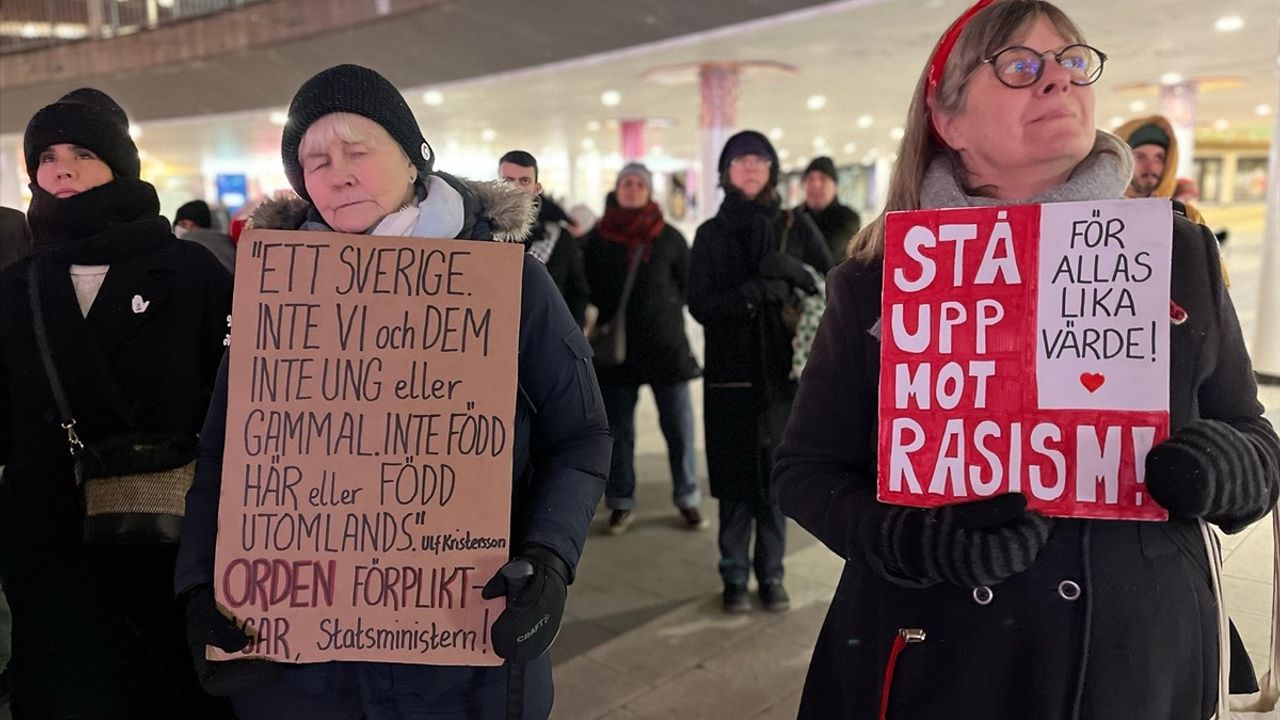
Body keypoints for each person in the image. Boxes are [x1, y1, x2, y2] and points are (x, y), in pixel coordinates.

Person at [772, 2, 1280, 718]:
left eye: (1072, 61)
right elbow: (806, 472)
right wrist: (910, 538)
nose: (1057, 81)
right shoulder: (878, 279)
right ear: (946, 119)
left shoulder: (1176, 254)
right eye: (1019, 65)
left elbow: (1257, 441)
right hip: (943, 661)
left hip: (1137, 661)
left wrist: (1226, 469)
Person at [173, 64, 611, 720]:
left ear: (411, 158)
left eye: (358, 150)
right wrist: (202, 583)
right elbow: (223, 454)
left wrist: (550, 555)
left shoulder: (508, 283)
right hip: (303, 672)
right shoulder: (274, 297)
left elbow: (582, 436)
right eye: (314, 159)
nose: (336, 172)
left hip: (467, 658)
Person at [0, 88, 234, 718]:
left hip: (170, 545)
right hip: (50, 553)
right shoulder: (16, 286)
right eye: (45, 156)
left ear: (120, 165)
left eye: (81, 152)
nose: (61, 169)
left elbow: (238, 409)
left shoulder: (191, 274)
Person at [688, 130, 832, 614]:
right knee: (733, 487)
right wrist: (755, 294)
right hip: (730, 379)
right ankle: (732, 577)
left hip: (783, 377)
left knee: (775, 486)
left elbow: (830, 285)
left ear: (771, 168)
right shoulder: (710, 234)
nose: (749, 167)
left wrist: (790, 269)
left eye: (758, 160)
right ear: (726, 172)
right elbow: (700, 304)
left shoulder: (795, 225)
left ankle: (771, 575)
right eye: (739, 161)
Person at [582, 163, 705, 534]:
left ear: (649, 190)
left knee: (679, 429)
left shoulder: (668, 238)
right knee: (618, 433)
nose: (632, 189)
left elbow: (686, 287)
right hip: (616, 354)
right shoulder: (599, 238)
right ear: (617, 189)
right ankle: (620, 500)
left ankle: (687, 496)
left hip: (666, 350)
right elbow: (586, 288)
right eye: (626, 183)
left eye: (639, 183)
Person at [499, 150, 590, 328]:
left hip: (546, 336)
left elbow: (577, 293)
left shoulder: (560, 238)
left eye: (524, 181)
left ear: (536, 188)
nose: (516, 188)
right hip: (495, 335)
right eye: (508, 180)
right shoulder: (483, 232)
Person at [1116, 115, 1207, 224]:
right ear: (1120, 161)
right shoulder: (1099, 212)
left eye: (1158, 158)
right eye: (1140, 157)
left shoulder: (1188, 218)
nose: (1151, 167)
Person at [794, 156, 860, 263]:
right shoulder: (792, 217)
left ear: (835, 186)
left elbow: (830, 255)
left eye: (823, 179)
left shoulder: (848, 217)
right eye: (810, 179)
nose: (816, 185)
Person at [174, 199, 237, 274]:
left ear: (195, 223)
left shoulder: (186, 244)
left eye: (183, 224)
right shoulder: (228, 241)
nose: (178, 228)